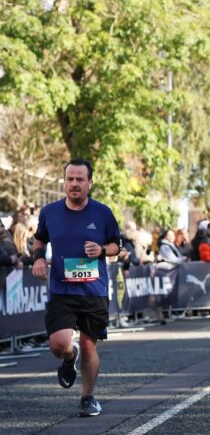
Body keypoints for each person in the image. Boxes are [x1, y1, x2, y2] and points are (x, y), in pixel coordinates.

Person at [31, 158, 121, 417]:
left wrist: (102, 250)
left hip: (94, 291)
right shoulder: (50, 212)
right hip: (62, 290)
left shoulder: (102, 212)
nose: (74, 184)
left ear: (89, 183)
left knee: (90, 345)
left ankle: (88, 397)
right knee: (59, 345)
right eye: (70, 179)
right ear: (64, 182)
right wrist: (37, 259)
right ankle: (70, 358)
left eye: (80, 179)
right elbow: (39, 240)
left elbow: (117, 245)